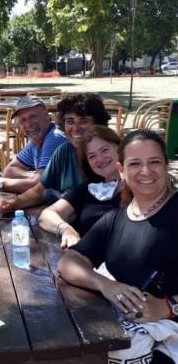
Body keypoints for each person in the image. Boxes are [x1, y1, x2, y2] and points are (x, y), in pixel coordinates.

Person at [58, 130, 178, 363]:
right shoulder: (117, 219)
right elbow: (69, 261)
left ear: (166, 166)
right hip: (130, 329)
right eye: (135, 164)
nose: (145, 171)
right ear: (122, 170)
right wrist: (106, 285)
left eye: (154, 162)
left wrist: (168, 307)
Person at [0, 93, 111, 213]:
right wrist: (12, 205)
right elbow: (38, 191)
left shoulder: (110, 153)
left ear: (98, 123)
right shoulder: (64, 151)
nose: (75, 128)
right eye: (70, 121)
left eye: (83, 121)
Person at [39, 126, 121, 248]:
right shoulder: (89, 188)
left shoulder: (138, 187)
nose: (99, 159)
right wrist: (66, 229)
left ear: (119, 148)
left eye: (105, 150)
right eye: (92, 156)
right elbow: (46, 215)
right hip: (87, 261)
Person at [0, 96, 66, 193]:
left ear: (47, 116)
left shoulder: (55, 137)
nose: (28, 124)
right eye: (23, 119)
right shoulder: (37, 140)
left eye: (33, 116)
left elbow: (41, 186)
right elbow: (9, 171)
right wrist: (34, 176)